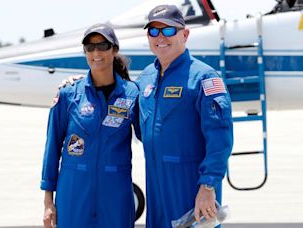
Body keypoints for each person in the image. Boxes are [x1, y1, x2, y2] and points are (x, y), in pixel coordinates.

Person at [135, 5, 233, 228]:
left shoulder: (203, 78)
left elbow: (220, 139)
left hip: (191, 185)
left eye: (168, 30)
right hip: (156, 183)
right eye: (153, 31)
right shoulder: (145, 78)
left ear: (185, 34)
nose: (160, 37)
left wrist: (208, 187)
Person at [40, 23, 140, 228]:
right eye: (90, 47)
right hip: (74, 193)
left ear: (114, 50)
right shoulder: (68, 94)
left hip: (115, 194)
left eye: (103, 46)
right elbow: (51, 150)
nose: (96, 52)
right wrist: (48, 202)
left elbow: (152, 138)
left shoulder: (132, 94)